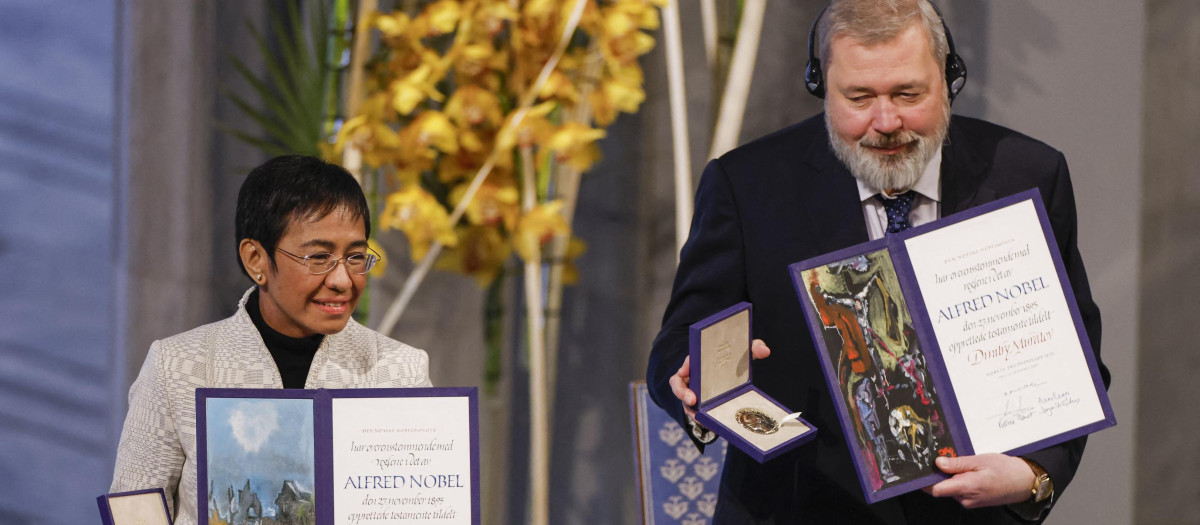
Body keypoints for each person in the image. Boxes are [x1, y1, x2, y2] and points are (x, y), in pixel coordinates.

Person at [647, 0, 1108, 523]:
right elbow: (675, 346)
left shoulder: (1030, 172)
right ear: (821, 87)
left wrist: (1034, 476)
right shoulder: (747, 185)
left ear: (949, 78)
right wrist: (694, 382)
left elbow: (1075, 356)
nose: (886, 122)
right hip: (798, 509)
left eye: (908, 94)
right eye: (859, 97)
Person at [109, 155, 431, 525]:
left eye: (356, 257)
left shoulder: (399, 371)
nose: (343, 280)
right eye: (320, 257)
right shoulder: (178, 367)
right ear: (256, 259)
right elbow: (134, 511)